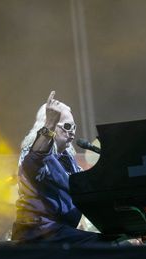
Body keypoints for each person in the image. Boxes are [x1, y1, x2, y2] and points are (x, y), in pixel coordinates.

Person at [11, 91, 115, 246]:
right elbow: (34, 162)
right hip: (37, 233)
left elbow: (84, 189)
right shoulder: (32, 152)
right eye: (67, 126)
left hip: (61, 232)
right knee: (110, 246)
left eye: (74, 126)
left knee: (116, 241)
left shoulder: (68, 160)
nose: (72, 131)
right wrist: (50, 124)